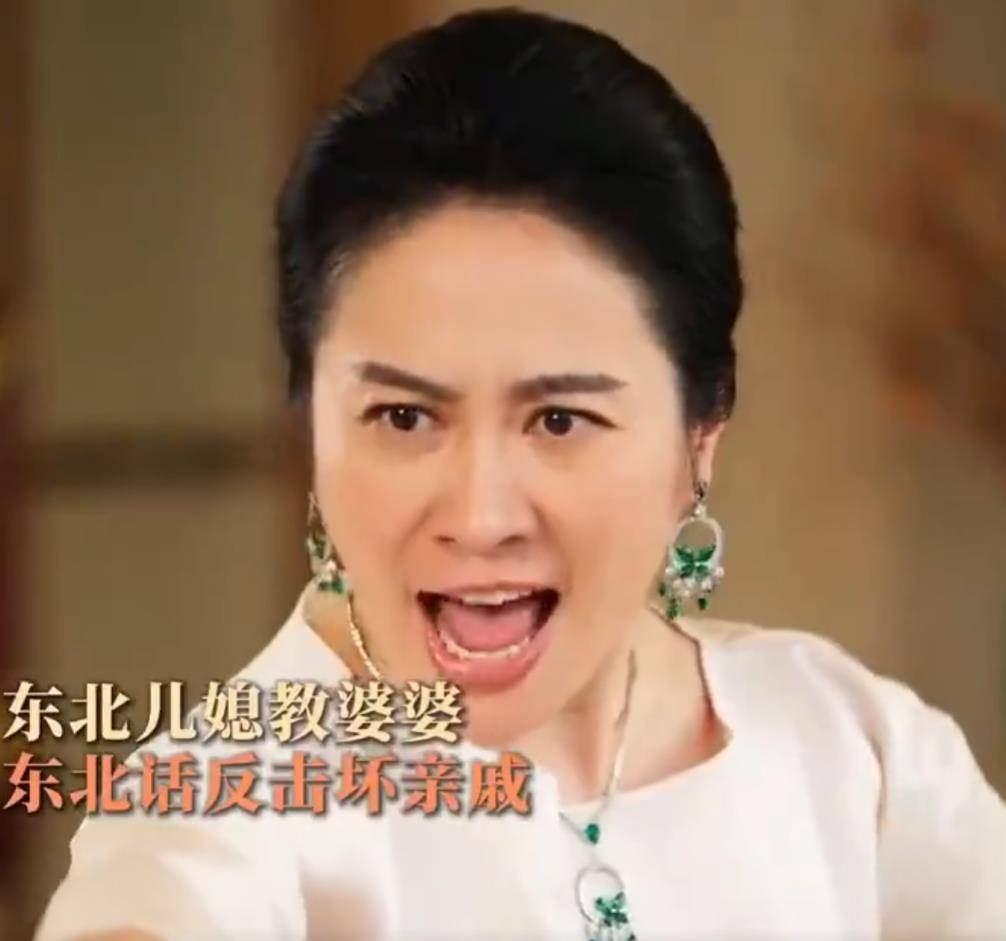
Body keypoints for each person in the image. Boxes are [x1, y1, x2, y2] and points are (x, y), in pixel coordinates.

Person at [35, 7, 1006, 941]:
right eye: (404, 416)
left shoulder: (850, 750)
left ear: (700, 432)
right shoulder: (226, 807)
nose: (479, 514)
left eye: (559, 420)